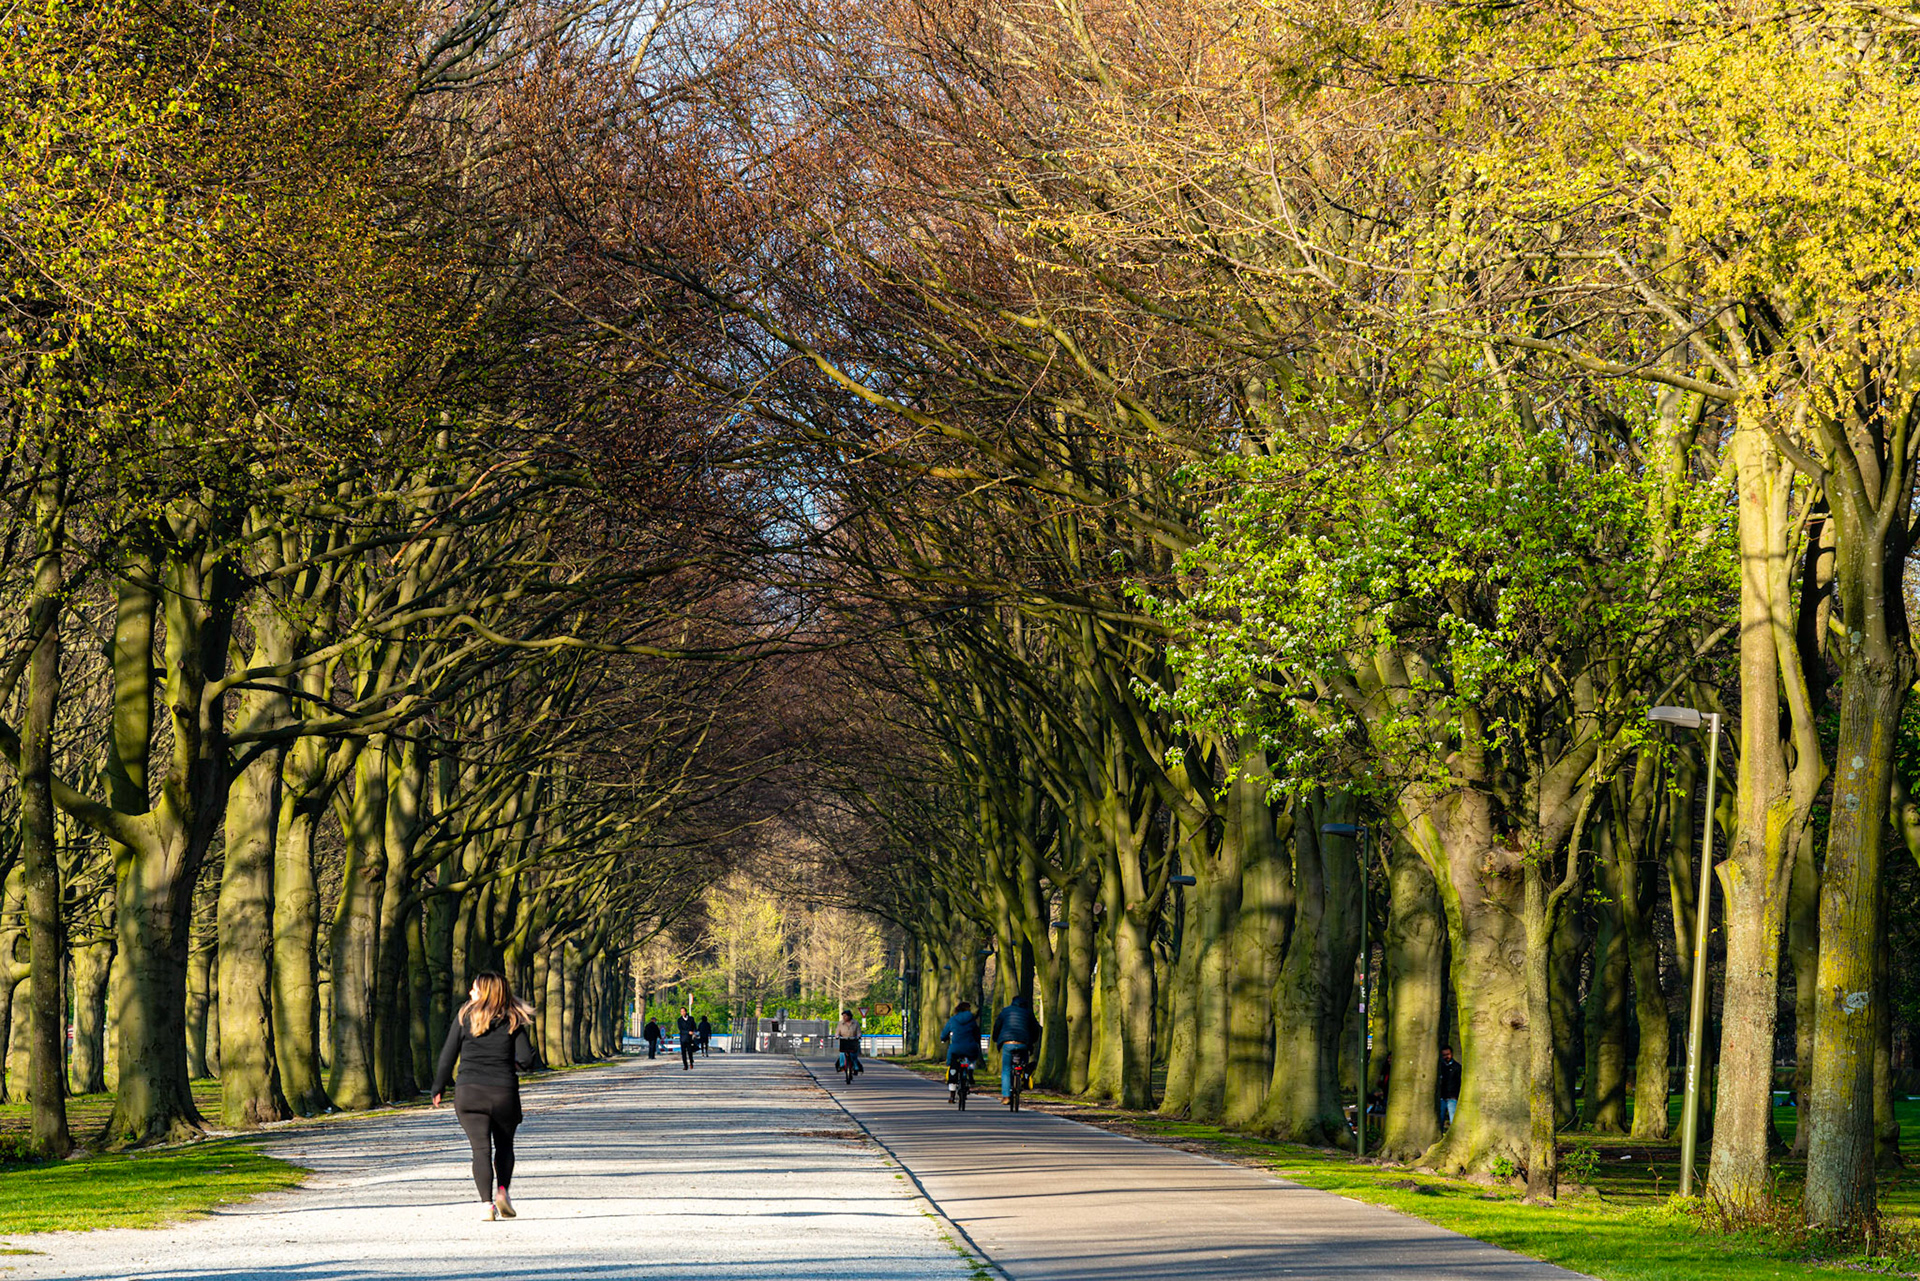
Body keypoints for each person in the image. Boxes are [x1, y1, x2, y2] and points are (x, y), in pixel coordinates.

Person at [432, 971, 538, 1221]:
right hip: (503, 1093)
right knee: (504, 1147)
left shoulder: (464, 1016)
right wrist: (513, 1065)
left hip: (469, 1093)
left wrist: (439, 1087)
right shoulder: (513, 1019)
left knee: (480, 1150)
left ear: (485, 993)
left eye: (475, 989)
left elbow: (448, 1056)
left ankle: (486, 1205)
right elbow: (526, 1059)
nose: (470, 993)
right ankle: (503, 1192)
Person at [991, 995, 1041, 1099]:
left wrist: (995, 1038)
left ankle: (1006, 1096)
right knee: (1024, 1062)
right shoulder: (1028, 1013)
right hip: (1023, 1043)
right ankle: (1024, 1077)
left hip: (1008, 1043)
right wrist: (1032, 1041)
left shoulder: (1005, 1011)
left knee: (1006, 1070)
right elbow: (1035, 1029)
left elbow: (997, 1026)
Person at [939, 1001, 983, 1097]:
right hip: (970, 1047)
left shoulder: (953, 1020)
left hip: (956, 1048)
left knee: (953, 1068)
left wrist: (943, 1038)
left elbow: (944, 1034)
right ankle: (970, 1072)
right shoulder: (972, 1020)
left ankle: (951, 1095)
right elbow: (977, 1034)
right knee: (972, 1056)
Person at [1438, 1044, 1461, 1128]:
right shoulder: (1440, 1067)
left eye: (1448, 1054)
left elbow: (1459, 1082)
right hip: (1442, 1098)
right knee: (1440, 1119)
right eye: (1444, 1055)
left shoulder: (1457, 1067)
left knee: (1453, 1120)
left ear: (1452, 1054)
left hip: (1452, 1098)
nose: (1446, 1057)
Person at [835, 1010, 863, 1076]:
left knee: (853, 1054)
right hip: (844, 1041)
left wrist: (859, 1036)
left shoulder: (855, 1023)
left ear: (849, 1016)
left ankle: (856, 1067)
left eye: (845, 1016)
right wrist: (837, 1036)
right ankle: (842, 1066)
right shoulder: (840, 1023)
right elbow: (837, 1032)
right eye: (843, 1016)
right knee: (842, 1053)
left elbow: (859, 1032)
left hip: (852, 1041)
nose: (844, 1017)